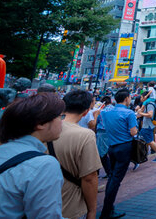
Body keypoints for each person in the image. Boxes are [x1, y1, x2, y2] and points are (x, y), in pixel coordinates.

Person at [0, 93, 65, 218]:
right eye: (60, 117)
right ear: (40, 123)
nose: (62, 122)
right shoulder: (44, 165)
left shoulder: (3, 150)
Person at [52, 89, 103, 219]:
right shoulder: (85, 135)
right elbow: (89, 177)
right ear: (86, 111)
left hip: (40, 203)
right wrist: (92, 210)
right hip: (70, 205)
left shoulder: (43, 129)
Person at [100, 89, 138, 219]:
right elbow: (133, 132)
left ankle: (109, 208)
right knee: (116, 180)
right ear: (127, 98)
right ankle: (106, 211)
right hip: (124, 147)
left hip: (112, 147)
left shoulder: (105, 112)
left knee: (112, 177)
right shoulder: (129, 113)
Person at [136, 97, 156, 161]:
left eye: (142, 97)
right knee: (150, 141)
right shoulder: (151, 103)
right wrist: (137, 115)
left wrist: (140, 113)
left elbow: (150, 115)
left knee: (148, 141)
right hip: (149, 126)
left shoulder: (149, 104)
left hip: (147, 126)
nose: (141, 98)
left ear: (144, 97)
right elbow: (146, 114)